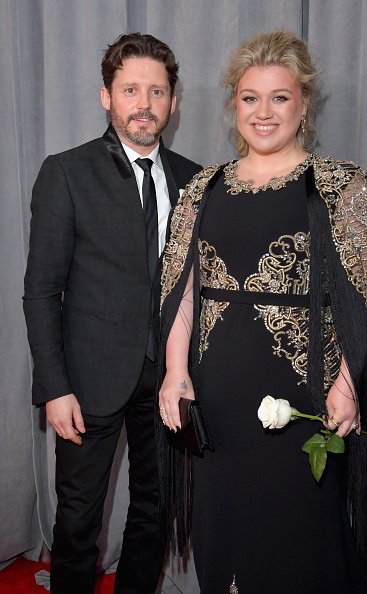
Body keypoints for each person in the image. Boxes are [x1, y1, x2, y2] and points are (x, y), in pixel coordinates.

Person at [158, 29, 367, 594]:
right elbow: (183, 287)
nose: (264, 113)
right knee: (225, 537)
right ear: (234, 103)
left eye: (279, 97)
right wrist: (175, 371)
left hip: (302, 401)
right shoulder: (203, 189)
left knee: (301, 542)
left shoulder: (341, 185)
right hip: (217, 401)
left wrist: (348, 386)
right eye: (250, 98)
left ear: (303, 103)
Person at [23, 33, 201, 594]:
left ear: (173, 101)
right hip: (88, 380)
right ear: (107, 97)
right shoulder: (66, 173)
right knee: (77, 523)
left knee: (155, 511)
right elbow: (40, 291)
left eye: (156, 91)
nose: (144, 103)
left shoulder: (196, 180)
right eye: (131, 90)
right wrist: (54, 387)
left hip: (168, 381)